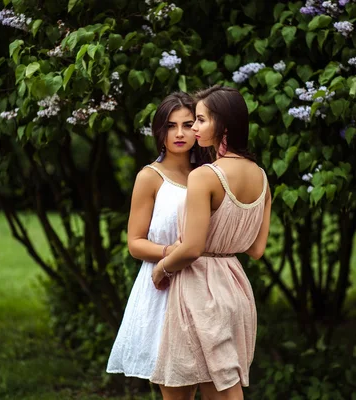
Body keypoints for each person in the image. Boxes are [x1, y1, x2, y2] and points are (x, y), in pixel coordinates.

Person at [149, 85, 272, 400]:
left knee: (177, 388)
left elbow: (191, 249)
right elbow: (257, 250)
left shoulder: (204, 176)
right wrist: (227, 238)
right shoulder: (261, 177)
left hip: (199, 290)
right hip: (236, 289)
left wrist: (161, 268)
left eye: (200, 120)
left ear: (224, 126)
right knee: (221, 386)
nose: (194, 128)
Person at [107, 92, 206, 400]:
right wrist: (171, 253)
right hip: (162, 287)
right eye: (170, 126)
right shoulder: (150, 177)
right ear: (159, 132)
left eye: (188, 124)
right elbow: (135, 243)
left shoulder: (208, 175)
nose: (179, 133)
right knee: (175, 390)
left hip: (205, 284)